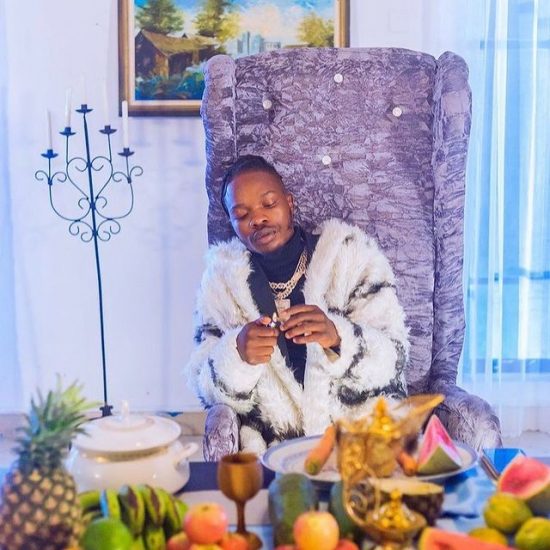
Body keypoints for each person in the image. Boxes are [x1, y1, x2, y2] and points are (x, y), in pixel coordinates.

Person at [186, 155, 409, 454]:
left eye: (268, 204)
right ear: (232, 223)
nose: (258, 219)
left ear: (289, 203)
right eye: (242, 214)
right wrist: (237, 354)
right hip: (271, 451)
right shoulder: (222, 283)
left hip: (356, 443)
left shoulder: (351, 257)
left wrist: (338, 338)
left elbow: (395, 359)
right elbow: (204, 384)